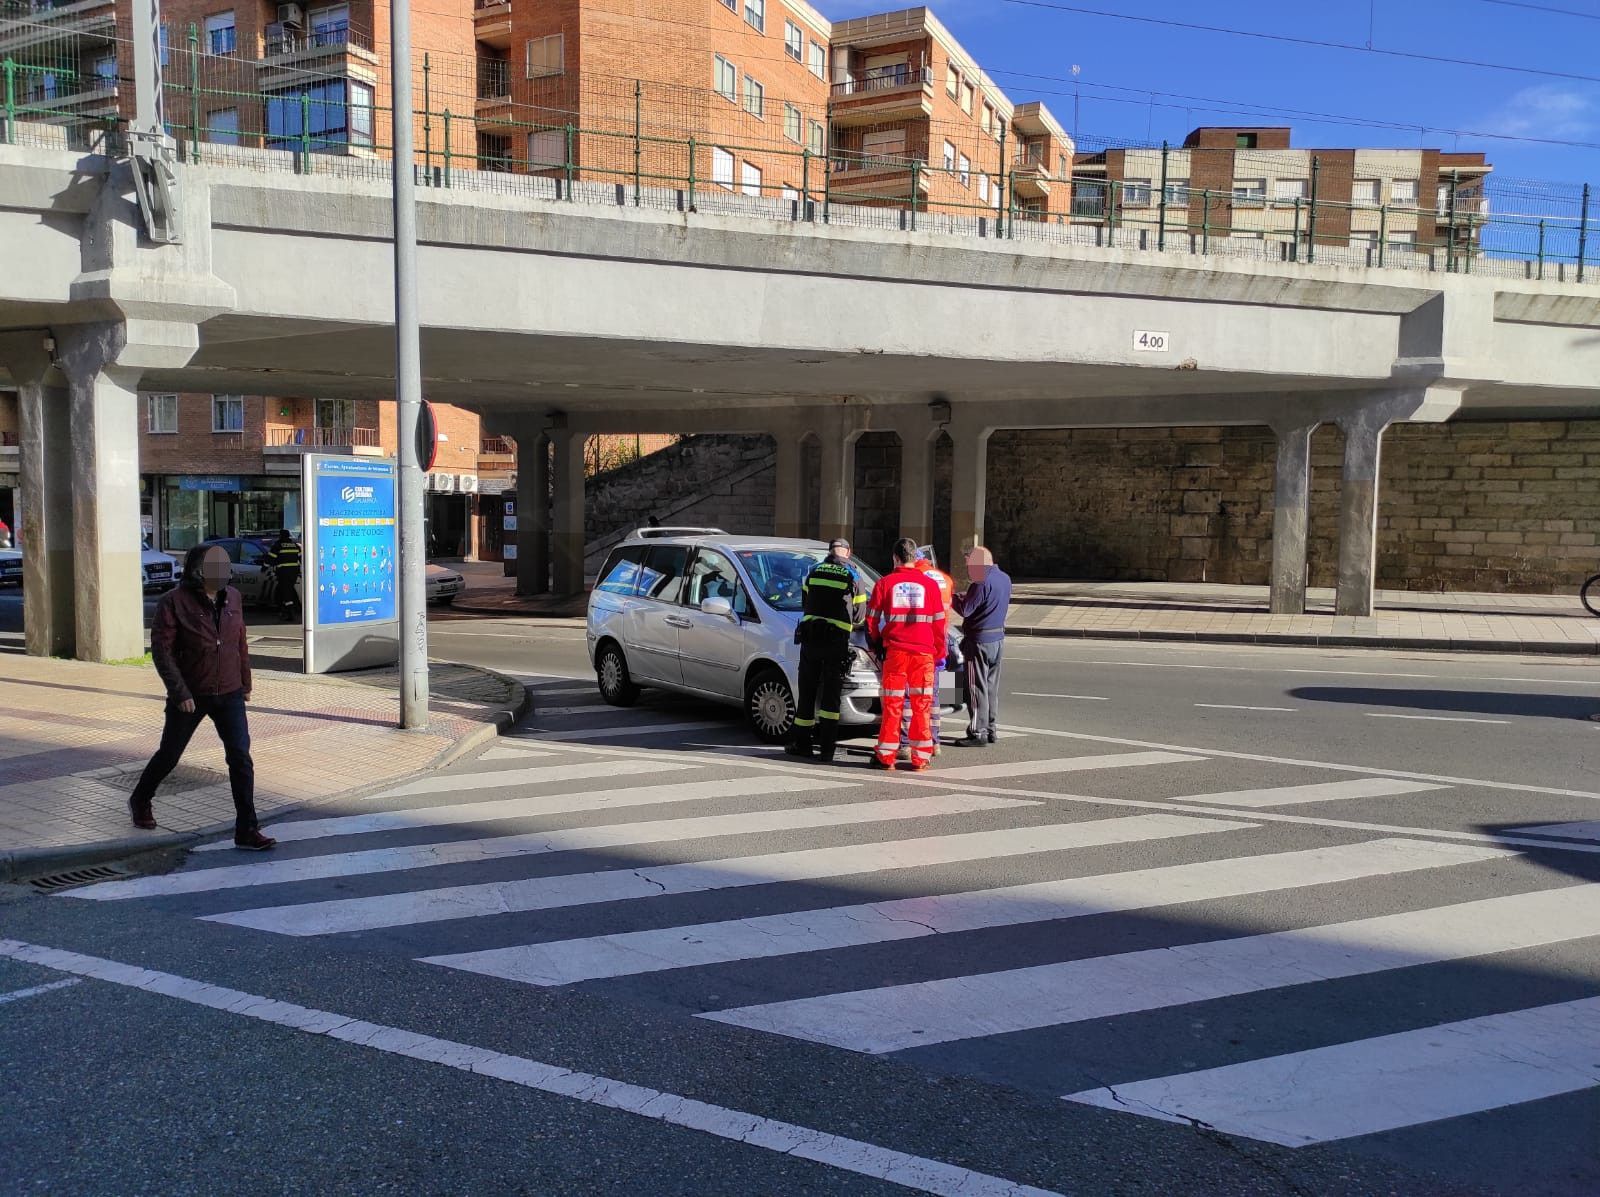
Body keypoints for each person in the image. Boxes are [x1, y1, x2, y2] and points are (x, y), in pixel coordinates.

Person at [128, 543, 276, 851]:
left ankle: (247, 829)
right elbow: (162, 651)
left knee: (240, 759)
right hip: (192, 693)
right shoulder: (174, 602)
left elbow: (239, 642)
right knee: (170, 754)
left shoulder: (233, 597)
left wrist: (245, 681)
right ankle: (141, 799)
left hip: (230, 691)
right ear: (198, 570)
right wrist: (179, 691)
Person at [867, 538, 945, 771]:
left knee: (893, 704)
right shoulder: (930, 585)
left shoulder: (885, 584)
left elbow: (871, 620)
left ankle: (886, 755)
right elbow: (939, 625)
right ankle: (921, 757)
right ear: (916, 558)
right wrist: (938, 652)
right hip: (924, 654)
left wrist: (876, 644)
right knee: (922, 704)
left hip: (896, 653)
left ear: (895, 558)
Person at [787, 538, 866, 763]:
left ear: (829, 551)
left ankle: (802, 744)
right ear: (848, 553)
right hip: (836, 641)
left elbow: (805, 602)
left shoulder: (813, 571)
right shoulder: (853, 575)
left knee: (807, 692)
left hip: (810, 638)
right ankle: (827, 749)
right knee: (831, 696)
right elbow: (860, 614)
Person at [952, 545, 1012, 748]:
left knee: (976, 688)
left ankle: (978, 732)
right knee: (991, 687)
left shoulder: (980, 581)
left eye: (969, 562)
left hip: (979, 641)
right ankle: (991, 728)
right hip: (997, 639)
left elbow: (967, 610)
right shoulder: (1004, 578)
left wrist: (952, 599)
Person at [901, 546, 956, 756]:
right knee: (933, 695)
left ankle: (907, 742)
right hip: (941, 640)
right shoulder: (945, 578)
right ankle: (935, 741)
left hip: (920, 643)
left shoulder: (918, 578)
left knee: (910, 696)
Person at [263, 528, 302, 620]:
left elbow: (270, 558)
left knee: (286, 592)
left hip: (283, 572)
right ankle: (283, 610)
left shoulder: (278, 545)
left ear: (280, 536)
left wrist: (264, 567)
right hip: (294, 572)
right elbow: (301, 559)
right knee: (286, 590)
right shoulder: (295, 545)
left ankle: (290, 614)